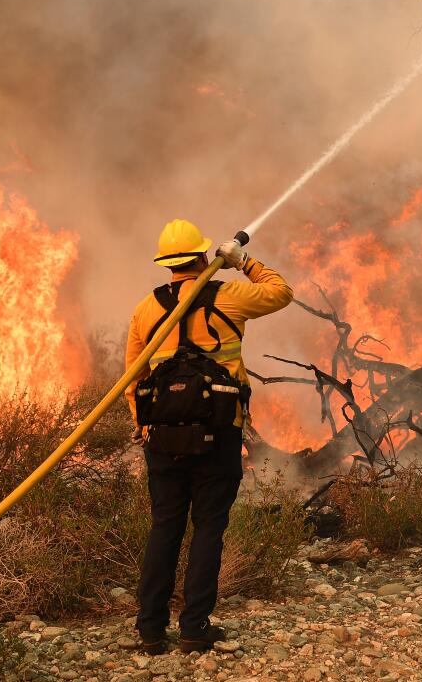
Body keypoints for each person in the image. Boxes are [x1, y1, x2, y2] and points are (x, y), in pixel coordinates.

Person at [125, 219, 293, 655]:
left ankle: (149, 630)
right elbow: (281, 291)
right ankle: (195, 627)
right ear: (203, 258)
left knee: (165, 527)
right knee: (208, 528)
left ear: (168, 264)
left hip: (162, 439)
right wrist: (243, 261)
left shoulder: (146, 308)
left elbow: (132, 379)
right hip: (218, 434)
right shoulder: (229, 295)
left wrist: (143, 427)